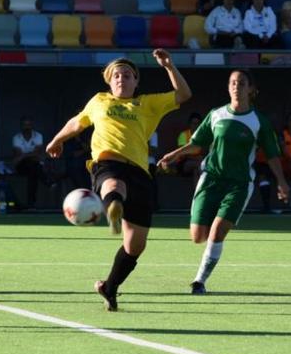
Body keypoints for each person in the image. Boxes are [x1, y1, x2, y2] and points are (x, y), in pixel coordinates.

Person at [46, 50, 191, 311]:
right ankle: (113, 205)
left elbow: (183, 95)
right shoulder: (99, 101)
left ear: (136, 82)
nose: (121, 78)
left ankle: (109, 286)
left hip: (140, 172)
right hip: (107, 162)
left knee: (136, 245)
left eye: (127, 75)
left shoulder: (147, 104)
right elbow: (76, 123)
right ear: (109, 81)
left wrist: (169, 66)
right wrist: (58, 140)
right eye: (116, 75)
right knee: (114, 185)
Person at [159, 70, 288, 295]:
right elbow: (197, 144)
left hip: (239, 184)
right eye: (233, 83)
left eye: (241, 83)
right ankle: (209, 244)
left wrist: (282, 182)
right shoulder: (216, 115)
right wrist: (174, 154)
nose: (236, 86)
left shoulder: (259, 121)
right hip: (210, 180)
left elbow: (272, 155)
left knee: (217, 232)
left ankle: (199, 281)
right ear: (228, 88)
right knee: (198, 236)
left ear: (251, 89)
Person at [11, 116, 46, 210]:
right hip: (21, 166)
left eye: (29, 125)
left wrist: (24, 155)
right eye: (25, 125)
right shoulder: (16, 138)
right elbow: (19, 154)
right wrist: (30, 154)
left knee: (33, 171)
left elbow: (38, 152)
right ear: (21, 126)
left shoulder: (38, 136)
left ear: (32, 125)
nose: (27, 127)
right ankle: (48, 182)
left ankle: (31, 204)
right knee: (33, 167)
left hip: (34, 164)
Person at [176, 112, 203, 184]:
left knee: (196, 170)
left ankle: (196, 193)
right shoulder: (183, 135)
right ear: (189, 124)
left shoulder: (202, 136)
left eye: (197, 124)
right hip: (183, 164)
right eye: (193, 123)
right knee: (198, 165)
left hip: (197, 164)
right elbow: (182, 154)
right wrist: (197, 158)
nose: (195, 126)